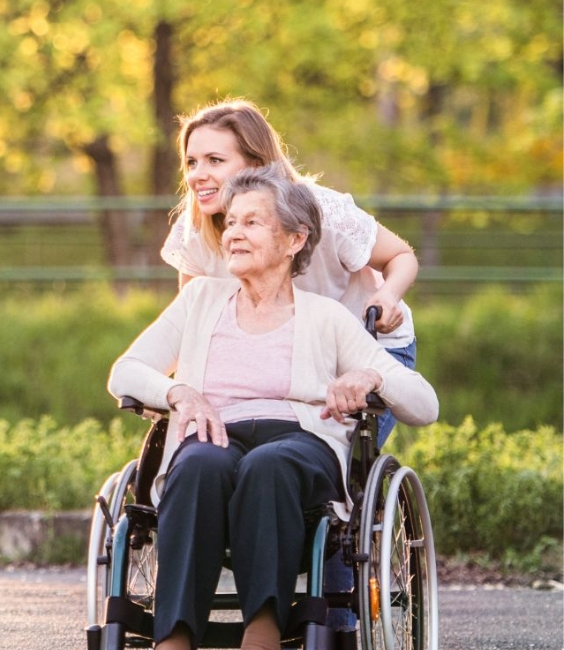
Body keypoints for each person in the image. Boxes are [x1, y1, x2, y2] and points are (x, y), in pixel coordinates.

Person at [107, 163, 438, 650]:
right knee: (197, 463)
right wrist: (178, 392)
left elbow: (424, 404)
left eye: (253, 223)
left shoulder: (326, 317)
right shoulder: (200, 299)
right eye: (232, 222)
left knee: (270, 464)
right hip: (216, 433)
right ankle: (174, 637)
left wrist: (372, 376)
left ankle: (261, 631)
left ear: (294, 240)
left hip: (300, 442)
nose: (234, 234)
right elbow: (126, 370)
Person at [160, 98, 417, 449]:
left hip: (363, 348)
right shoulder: (195, 231)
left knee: (333, 466)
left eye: (215, 161)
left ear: (256, 164)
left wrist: (388, 296)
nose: (196, 175)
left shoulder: (321, 211)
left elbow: (401, 256)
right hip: (283, 358)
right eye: (191, 162)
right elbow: (192, 329)